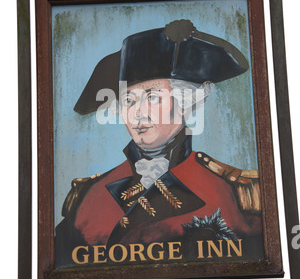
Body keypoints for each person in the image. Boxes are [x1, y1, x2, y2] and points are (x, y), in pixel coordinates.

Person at [55, 19, 263, 266]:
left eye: (152, 97)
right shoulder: (88, 196)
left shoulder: (234, 194)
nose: (138, 113)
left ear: (186, 101)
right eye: (128, 101)